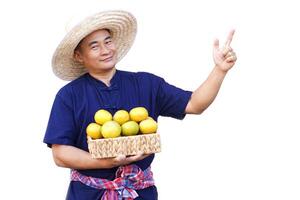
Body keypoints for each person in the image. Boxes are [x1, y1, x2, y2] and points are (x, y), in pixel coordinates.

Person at [44, 10, 237, 200]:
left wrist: (219, 70)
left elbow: (195, 104)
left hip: (140, 194)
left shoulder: (146, 84)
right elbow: (60, 154)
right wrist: (105, 162)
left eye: (108, 41)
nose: (105, 50)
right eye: (94, 46)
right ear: (79, 55)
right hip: (88, 195)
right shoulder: (69, 95)